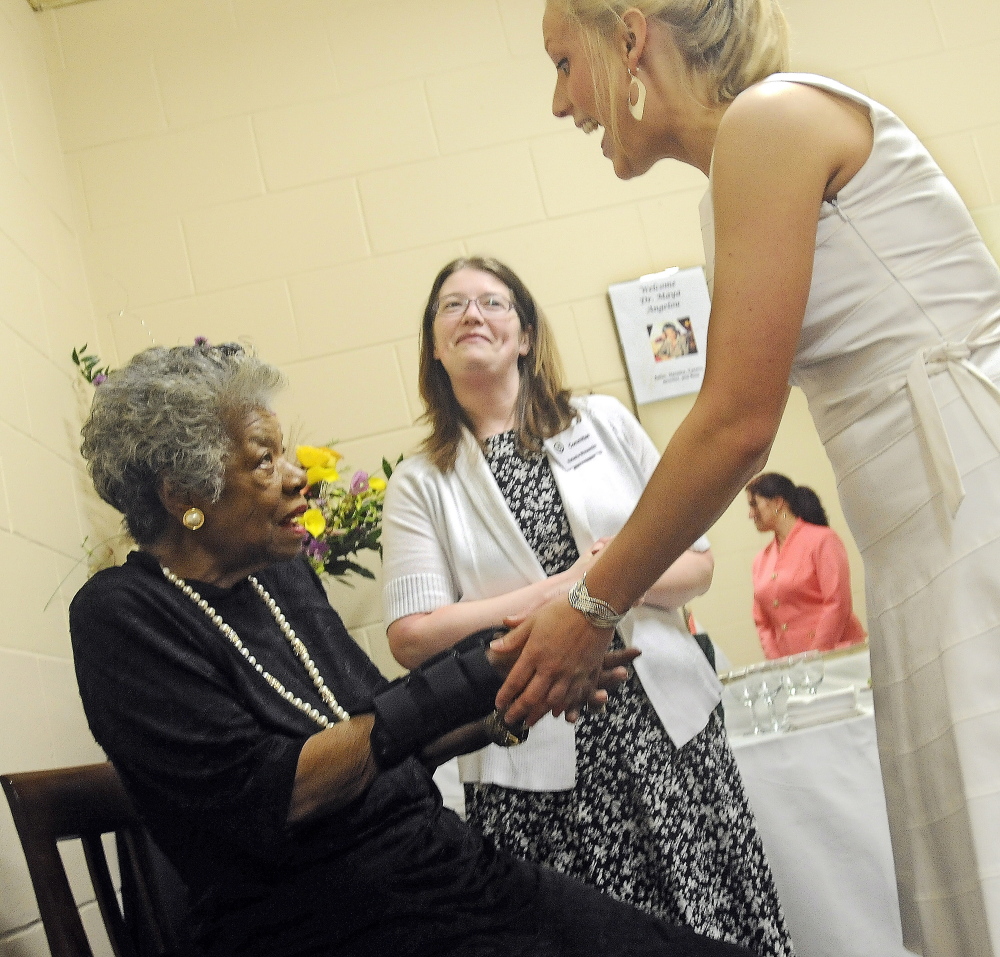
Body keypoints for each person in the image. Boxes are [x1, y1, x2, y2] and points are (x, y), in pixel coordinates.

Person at [489, 2, 1000, 955]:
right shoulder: (738, 167)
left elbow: (733, 426)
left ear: (629, 37)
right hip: (925, 526)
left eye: (564, 63)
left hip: (974, 500)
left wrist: (588, 607)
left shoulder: (772, 119)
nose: (562, 103)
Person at [68, 342, 756, 957]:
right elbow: (275, 797)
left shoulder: (282, 579)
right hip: (323, 920)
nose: (294, 476)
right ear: (186, 493)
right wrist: (472, 673)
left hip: (441, 871)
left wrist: (514, 688)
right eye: (263, 459)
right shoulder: (120, 616)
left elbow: (389, 741)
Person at [381, 257, 792, 956]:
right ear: (433, 346)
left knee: (710, 916)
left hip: (666, 729)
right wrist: (568, 589)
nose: (472, 314)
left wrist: (613, 578)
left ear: (525, 336)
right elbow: (414, 635)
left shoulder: (601, 420)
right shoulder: (422, 481)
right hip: (534, 758)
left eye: (492, 303)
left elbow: (696, 563)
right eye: (451, 306)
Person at [746, 472, 866, 658]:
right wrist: (779, 664)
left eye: (754, 504)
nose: (750, 514)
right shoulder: (761, 560)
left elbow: (837, 603)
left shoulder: (823, 540)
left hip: (838, 657)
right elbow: (762, 621)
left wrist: (816, 657)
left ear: (778, 502)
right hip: (793, 670)